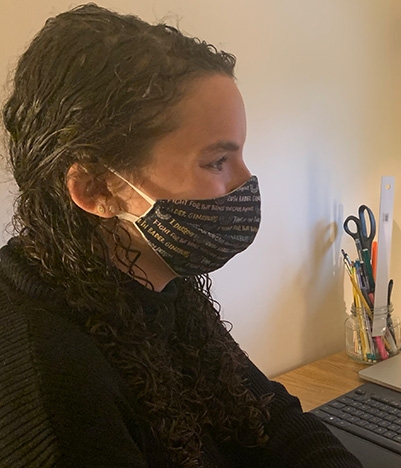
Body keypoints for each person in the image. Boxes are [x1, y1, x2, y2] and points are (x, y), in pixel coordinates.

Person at [0, 5, 361, 467]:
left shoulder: (154, 282)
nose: (245, 181)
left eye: (241, 156)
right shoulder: (46, 380)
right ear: (96, 189)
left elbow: (271, 419)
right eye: (217, 162)